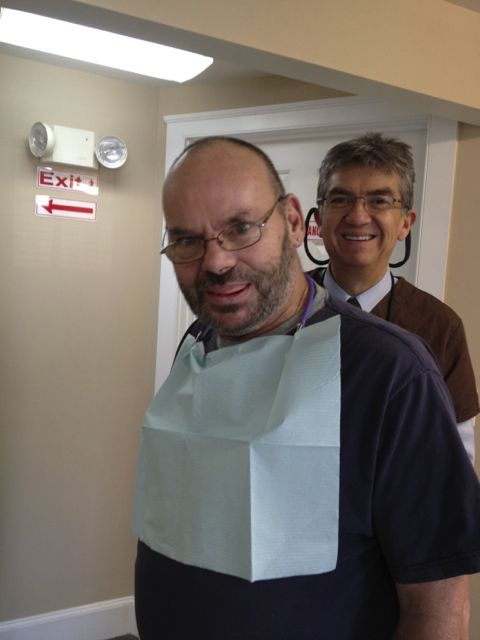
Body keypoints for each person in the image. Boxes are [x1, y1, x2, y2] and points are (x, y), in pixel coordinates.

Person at [132, 136, 480, 640]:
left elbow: (439, 604)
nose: (216, 262)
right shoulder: (196, 342)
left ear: (294, 223)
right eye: (186, 239)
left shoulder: (394, 372)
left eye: (241, 228)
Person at [308, 132, 478, 463]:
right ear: (319, 220)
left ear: (405, 224)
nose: (358, 216)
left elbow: (456, 458)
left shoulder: (439, 327)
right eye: (340, 199)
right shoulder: (279, 311)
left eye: (379, 201)